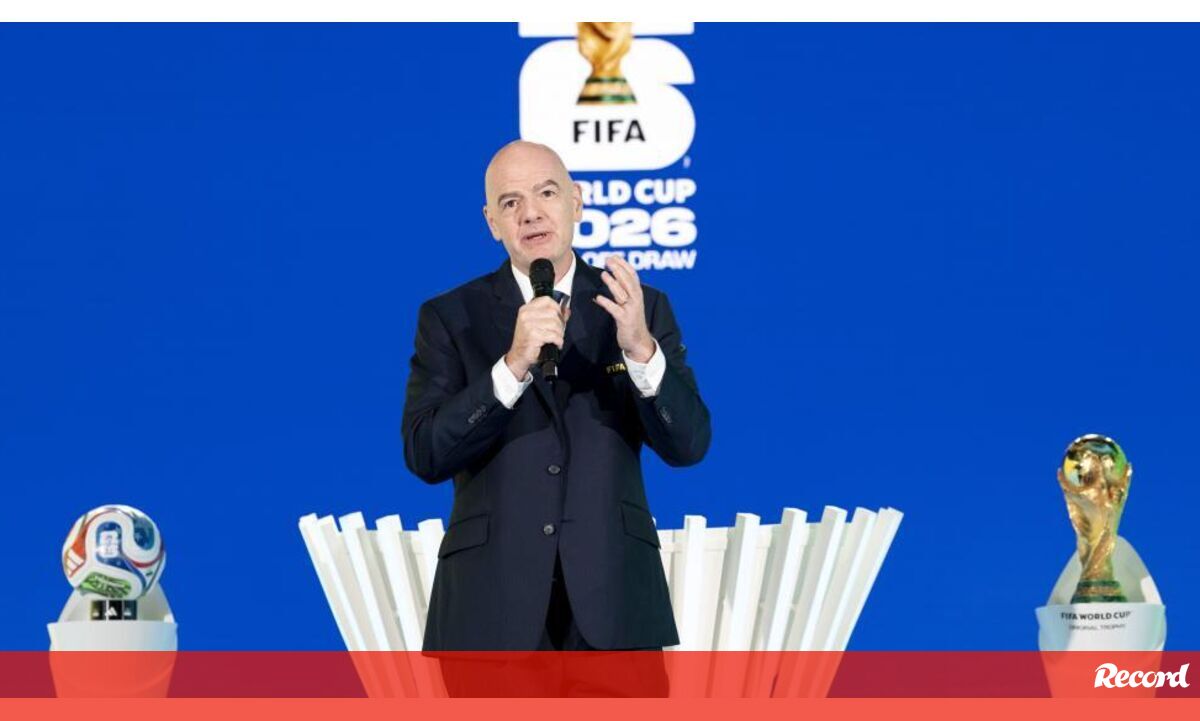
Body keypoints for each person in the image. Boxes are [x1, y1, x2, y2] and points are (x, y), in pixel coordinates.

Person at [401, 141, 710, 693]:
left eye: (546, 193)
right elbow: (425, 453)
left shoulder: (635, 307)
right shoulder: (451, 317)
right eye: (511, 202)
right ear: (492, 222)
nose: (531, 213)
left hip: (615, 607)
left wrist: (641, 350)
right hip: (490, 614)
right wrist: (512, 365)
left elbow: (689, 445)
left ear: (577, 201)